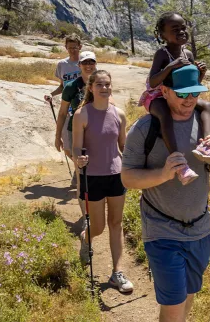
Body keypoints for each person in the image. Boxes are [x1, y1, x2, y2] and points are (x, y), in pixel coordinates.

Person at [122, 65, 210, 322]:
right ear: (164, 90)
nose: (189, 100)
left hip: (200, 230)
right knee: (173, 307)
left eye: (194, 93)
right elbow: (127, 177)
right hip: (161, 230)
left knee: (188, 296)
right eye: (182, 93)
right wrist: (162, 174)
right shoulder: (145, 128)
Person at [138, 12, 210, 186]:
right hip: (157, 94)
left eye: (183, 27)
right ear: (163, 36)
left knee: (206, 105)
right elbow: (153, 81)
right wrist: (171, 66)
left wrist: (201, 74)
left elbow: (191, 84)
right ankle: (180, 163)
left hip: (180, 94)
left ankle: (206, 145)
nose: (182, 31)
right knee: (164, 114)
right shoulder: (162, 53)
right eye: (175, 29)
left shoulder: (188, 54)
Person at [72, 70, 134, 293]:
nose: (104, 88)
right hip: (93, 176)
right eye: (99, 84)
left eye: (107, 84)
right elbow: (76, 146)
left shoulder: (119, 114)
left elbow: (124, 146)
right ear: (91, 87)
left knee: (116, 224)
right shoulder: (82, 114)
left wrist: (137, 164)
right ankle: (85, 237)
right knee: (97, 227)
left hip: (116, 175)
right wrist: (78, 159)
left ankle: (117, 273)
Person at [45, 33, 82, 160]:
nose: (72, 50)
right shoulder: (62, 64)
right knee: (67, 148)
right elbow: (62, 86)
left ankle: (82, 174)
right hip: (67, 109)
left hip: (83, 108)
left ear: (80, 47)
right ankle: (79, 171)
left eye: (75, 47)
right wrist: (51, 94)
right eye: (69, 47)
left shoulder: (86, 62)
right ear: (66, 47)